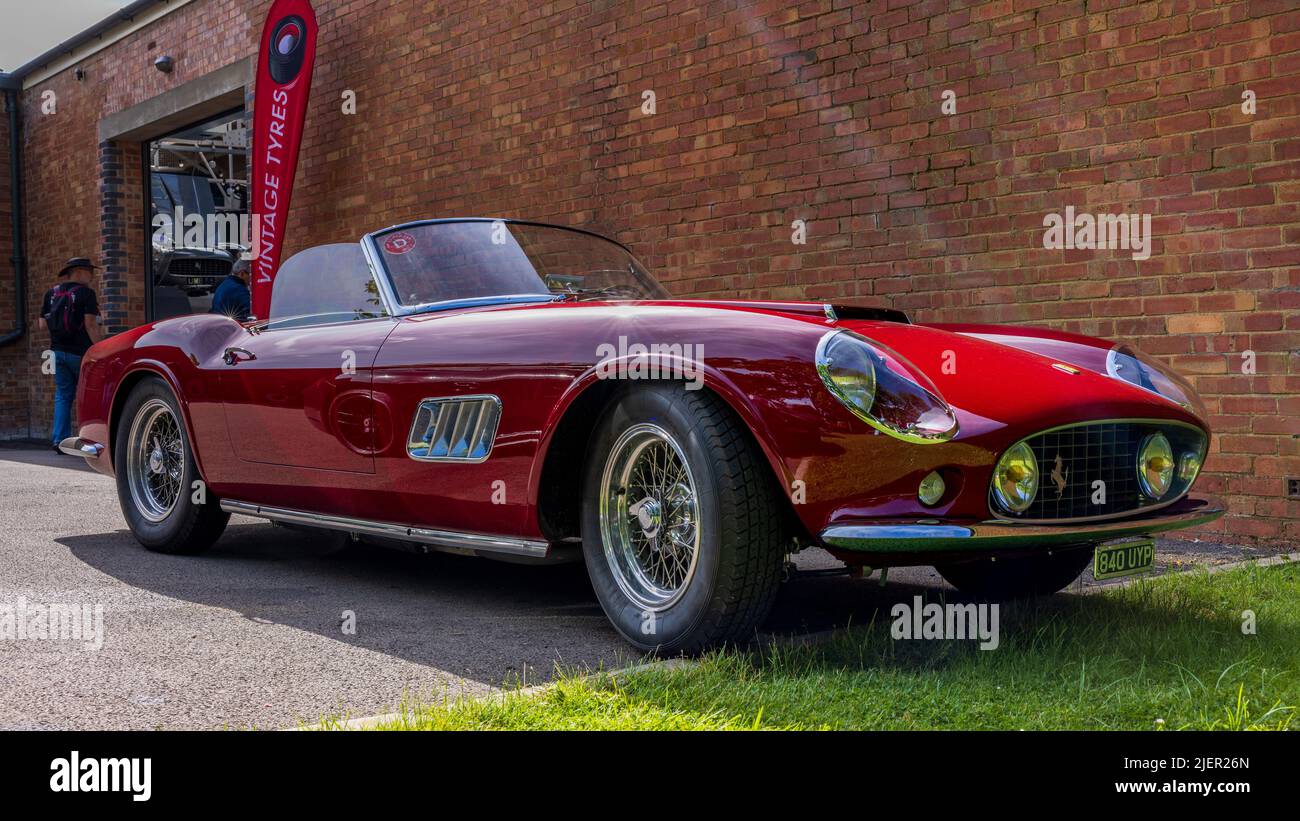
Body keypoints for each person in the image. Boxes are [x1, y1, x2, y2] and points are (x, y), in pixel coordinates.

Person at [41, 257, 101, 454]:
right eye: (90, 271)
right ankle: (90, 439)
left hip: (57, 352)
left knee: (62, 396)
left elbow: (42, 325)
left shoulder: (51, 293)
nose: (92, 275)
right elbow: (90, 324)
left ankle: (59, 440)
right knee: (87, 395)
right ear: (79, 271)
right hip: (81, 354)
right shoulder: (86, 294)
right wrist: (101, 348)